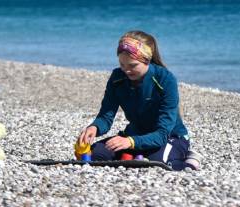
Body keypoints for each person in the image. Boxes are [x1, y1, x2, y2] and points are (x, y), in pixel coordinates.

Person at [78, 30, 201, 171]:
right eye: (122, 65)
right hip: (134, 135)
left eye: (132, 65)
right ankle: (134, 153)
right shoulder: (117, 78)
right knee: (94, 156)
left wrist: (130, 142)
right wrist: (95, 127)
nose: (126, 70)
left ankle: (191, 159)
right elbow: (106, 115)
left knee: (156, 164)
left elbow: (162, 134)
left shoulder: (165, 80)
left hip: (170, 137)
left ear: (146, 60)